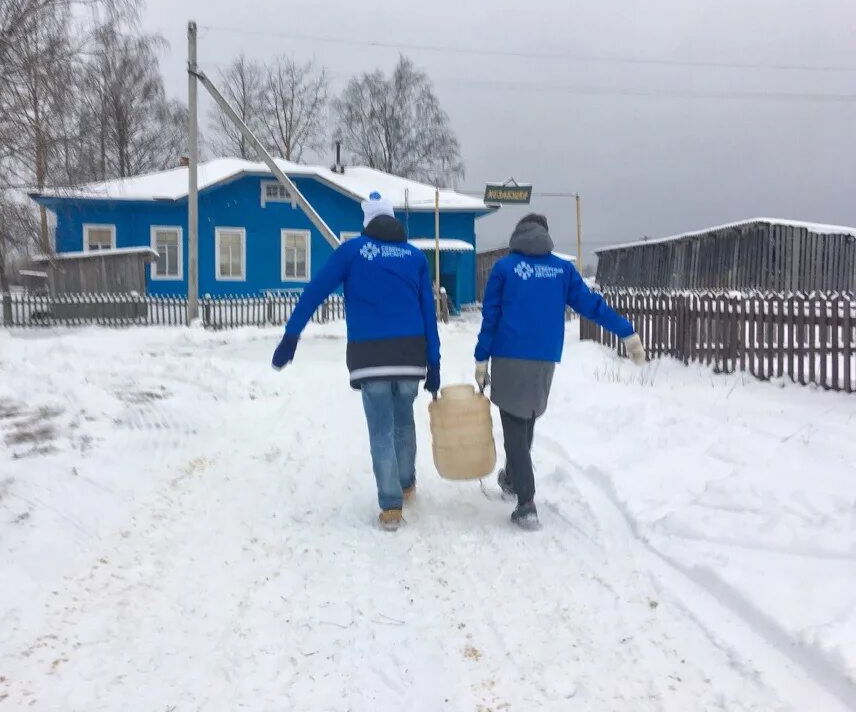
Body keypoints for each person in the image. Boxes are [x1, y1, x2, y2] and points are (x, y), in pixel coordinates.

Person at [272, 191, 441, 531]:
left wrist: (292, 336)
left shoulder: (352, 252)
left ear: (367, 223)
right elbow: (428, 312)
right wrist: (434, 363)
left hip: (371, 356)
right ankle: (406, 483)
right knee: (404, 419)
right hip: (411, 356)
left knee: (381, 427)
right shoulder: (415, 257)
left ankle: (391, 507)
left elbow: (315, 291)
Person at [474, 213, 645, 530]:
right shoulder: (561, 269)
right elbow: (591, 305)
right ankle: (513, 478)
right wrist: (626, 332)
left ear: (518, 234)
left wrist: (481, 358)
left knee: (513, 421)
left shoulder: (505, 268)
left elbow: (491, 316)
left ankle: (526, 502)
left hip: (509, 354)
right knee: (526, 416)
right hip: (544, 357)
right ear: (545, 235)